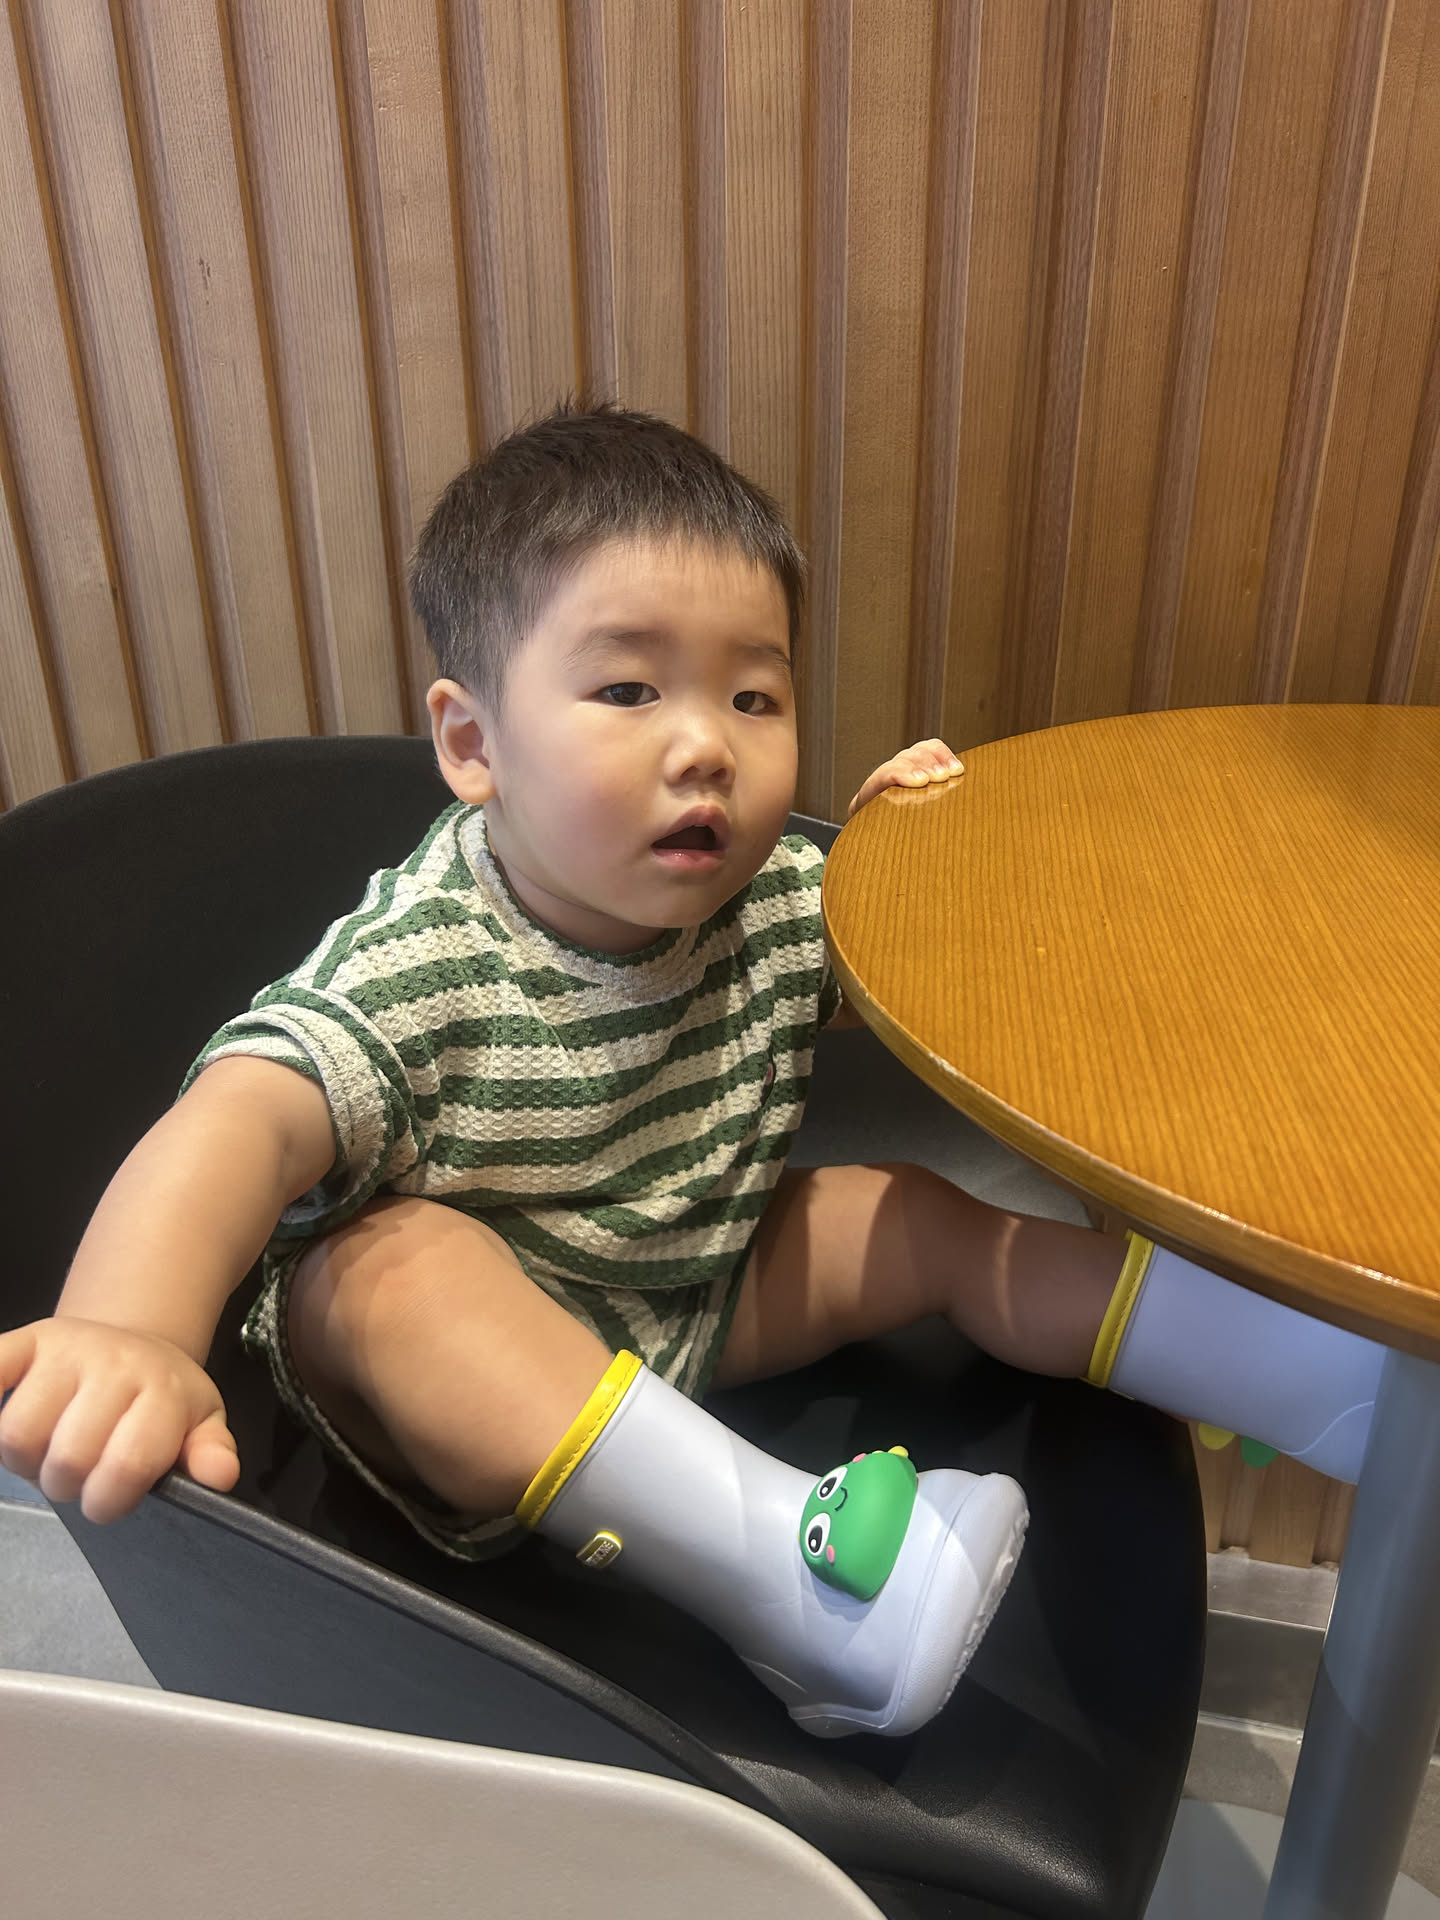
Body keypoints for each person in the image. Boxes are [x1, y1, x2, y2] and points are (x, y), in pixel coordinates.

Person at [0, 406, 1385, 1738]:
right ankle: (808, 1596)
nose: (707, 744)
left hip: (683, 1294)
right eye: (627, 690)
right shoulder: (425, 963)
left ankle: (1296, 1376)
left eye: (754, 695)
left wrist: (921, 871)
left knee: (914, 1217)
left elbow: (973, 978)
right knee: (388, 1269)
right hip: (449, 1398)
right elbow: (238, 1119)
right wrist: (131, 1329)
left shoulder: (773, 897)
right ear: (473, 743)